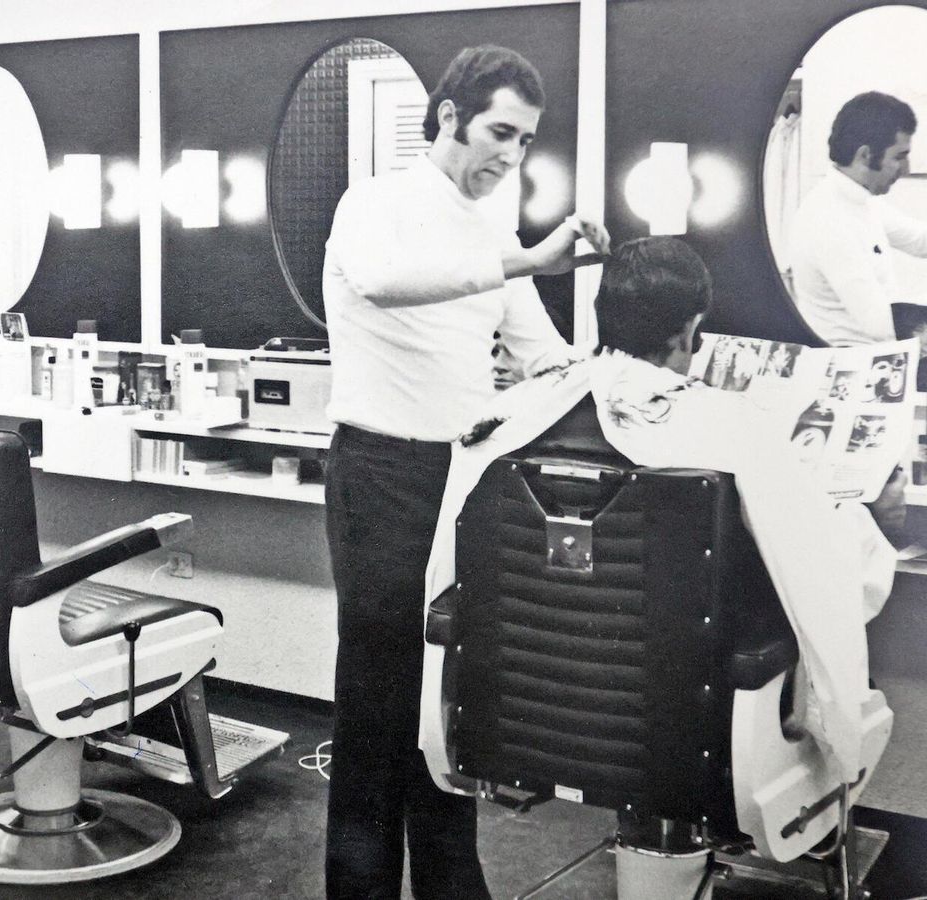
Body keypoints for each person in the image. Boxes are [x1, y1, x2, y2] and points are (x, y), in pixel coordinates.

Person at [423, 237, 901, 792]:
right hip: (690, 736)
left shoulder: (505, 419)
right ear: (689, 330)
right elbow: (828, 570)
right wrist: (873, 521)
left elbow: (448, 573)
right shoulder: (730, 427)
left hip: (530, 715)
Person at [319, 44, 610, 899]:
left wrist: (638, 373)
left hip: (461, 486)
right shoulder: (375, 204)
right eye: (499, 133)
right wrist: (526, 261)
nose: (510, 156)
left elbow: (546, 360)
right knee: (377, 707)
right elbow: (380, 281)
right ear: (449, 117)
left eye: (524, 142)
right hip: (377, 474)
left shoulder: (493, 233)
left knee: (449, 708)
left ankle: (454, 888)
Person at [789, 91, 927, 345]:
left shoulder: (860, 201)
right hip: (851, 368)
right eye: (899, 156)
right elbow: (878, 321)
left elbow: (920, 241)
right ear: (864, 155)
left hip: (880, 354)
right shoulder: (828, 219)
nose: (906, 169)